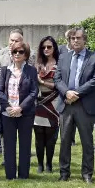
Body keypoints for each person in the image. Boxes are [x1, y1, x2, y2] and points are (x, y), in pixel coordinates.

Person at [54, 27, 95, 183]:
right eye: (73, 38)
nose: (75, 40)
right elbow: (57, 79)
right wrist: (67, 92)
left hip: (84, 105)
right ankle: (64, 173)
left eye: (78, 38)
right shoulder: (63, 57)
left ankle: (87, 173)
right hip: (66, 104)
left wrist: (76, 93)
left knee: (87, 141)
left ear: (85, 40)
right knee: (65, 140)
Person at [0, 40, 38, 180]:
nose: (17, 54)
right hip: (7, 113)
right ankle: (10, 175)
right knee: (9, 145)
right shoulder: (5, 70)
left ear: (26, 55)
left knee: (25, 145)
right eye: (15, 51)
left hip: (25, 113)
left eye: (21, 52)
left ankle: (23, 175)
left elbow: (34, 92)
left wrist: (20, 107)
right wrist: (8, 107)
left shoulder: (31, 70)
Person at [34, 36, 59, 174]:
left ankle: (49, 164)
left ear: (54, 48)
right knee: (38, 134)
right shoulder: (37, 65)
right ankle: (40, 164)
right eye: (44, 47)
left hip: (53, 102)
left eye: (49, 47)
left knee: (50, 136)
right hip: (38, 102)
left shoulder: (60, 64)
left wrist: (43, 82)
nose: (46, 49)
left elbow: (59, 85)